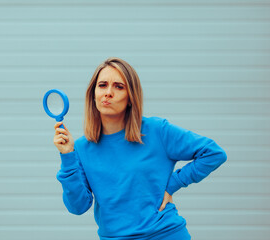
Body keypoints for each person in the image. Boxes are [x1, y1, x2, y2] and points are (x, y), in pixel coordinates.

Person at [53, 57, 227, 240]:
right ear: (93, 94)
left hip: (165, 234)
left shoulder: (157, 131)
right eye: (102, 85)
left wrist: (173, 185)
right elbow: (77, 207)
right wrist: (67, 156)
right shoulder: (80, 148)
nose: (108, 93)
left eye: (119, 86)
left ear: (130, 97)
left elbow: (213, 153)